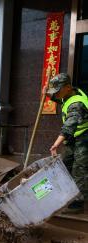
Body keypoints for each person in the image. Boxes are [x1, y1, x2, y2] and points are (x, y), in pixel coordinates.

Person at [45, 73, 88, 213]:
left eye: (57, 91)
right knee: (65, 165)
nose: (56, 94)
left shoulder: (77, 103)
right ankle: (67, 195)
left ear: (68, 87)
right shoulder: (68, 94)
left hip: (84, 138)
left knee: (79, 169)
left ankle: (78, 203)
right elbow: (60, 100)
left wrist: (56, 144)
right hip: (74, 138)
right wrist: (48, 94)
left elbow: (69, 126)